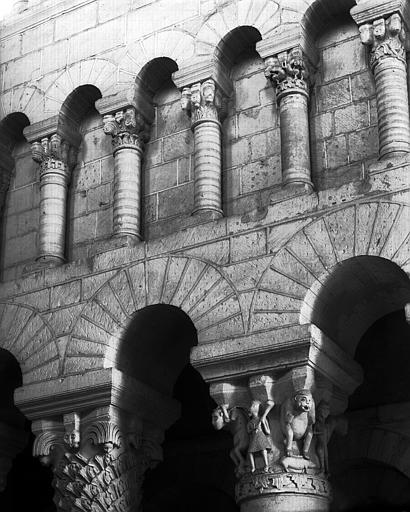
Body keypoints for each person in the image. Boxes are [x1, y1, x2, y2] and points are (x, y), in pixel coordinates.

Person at [247, 399, 274, 472]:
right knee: (250, 452)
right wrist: (253, 429)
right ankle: (253, 467)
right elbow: (248, 431)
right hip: (254, 438)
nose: (249, 408)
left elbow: (268, 432)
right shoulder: (250, 422)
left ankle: (266, 465)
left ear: (255, 408)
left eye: (251, 406)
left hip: (261, 436)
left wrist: (263, 423)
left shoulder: (262, 419)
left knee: (263, 449)